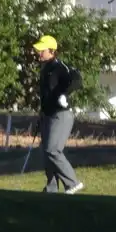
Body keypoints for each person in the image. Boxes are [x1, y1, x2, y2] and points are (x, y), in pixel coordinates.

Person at [32, 34, 84, 194]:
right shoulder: (44, 68)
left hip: (61, 115)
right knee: (46, 153)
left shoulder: (59, 67)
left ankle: (73, 183)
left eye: (42, 50)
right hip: (48, 115)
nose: (39, 53)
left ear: (52, 51)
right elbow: (46, 95)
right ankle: (51, 188)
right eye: (38, 50)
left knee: (53, 150)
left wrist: (64, 93)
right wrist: (41, 114)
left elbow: (76, 80)